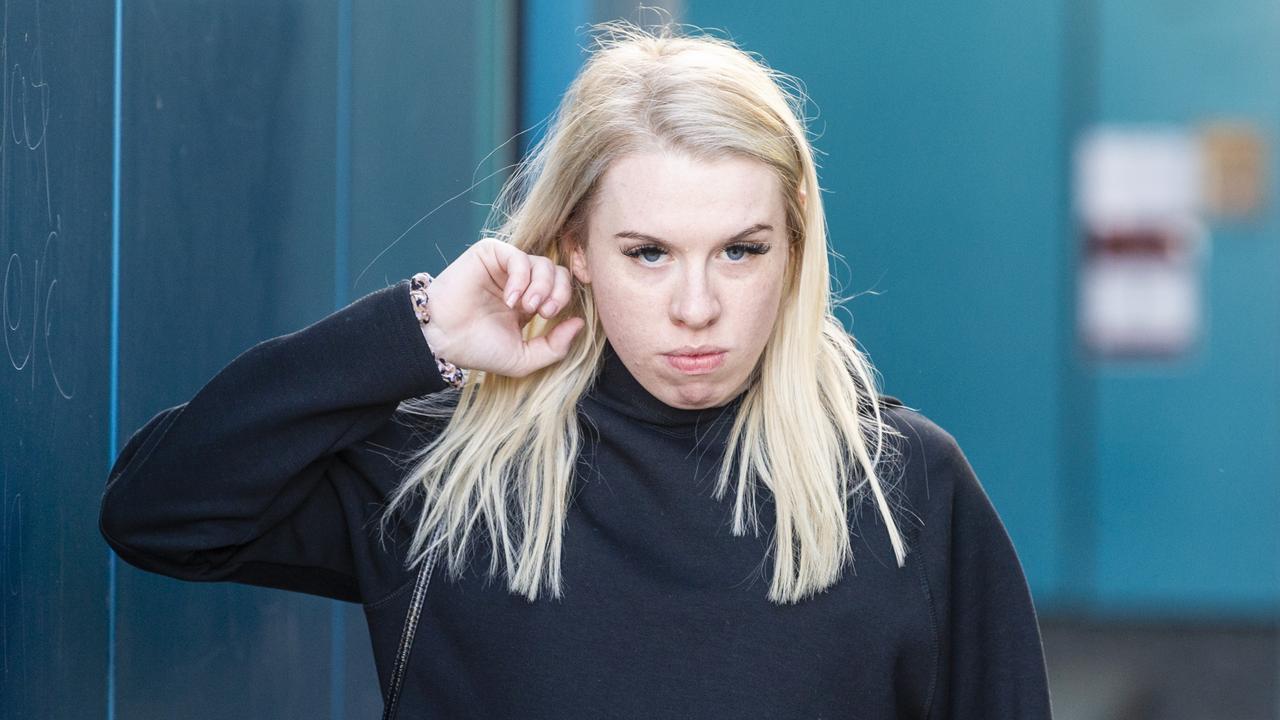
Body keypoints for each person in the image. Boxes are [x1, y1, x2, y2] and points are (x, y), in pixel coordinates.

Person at [99, 19, 1054, 720]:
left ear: (795, 253)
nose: (696, 306)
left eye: (740, 250)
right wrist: (417, 331)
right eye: (648, 253)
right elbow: (158, 511)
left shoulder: (900, 486)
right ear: (576, 250)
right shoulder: (452, 469)